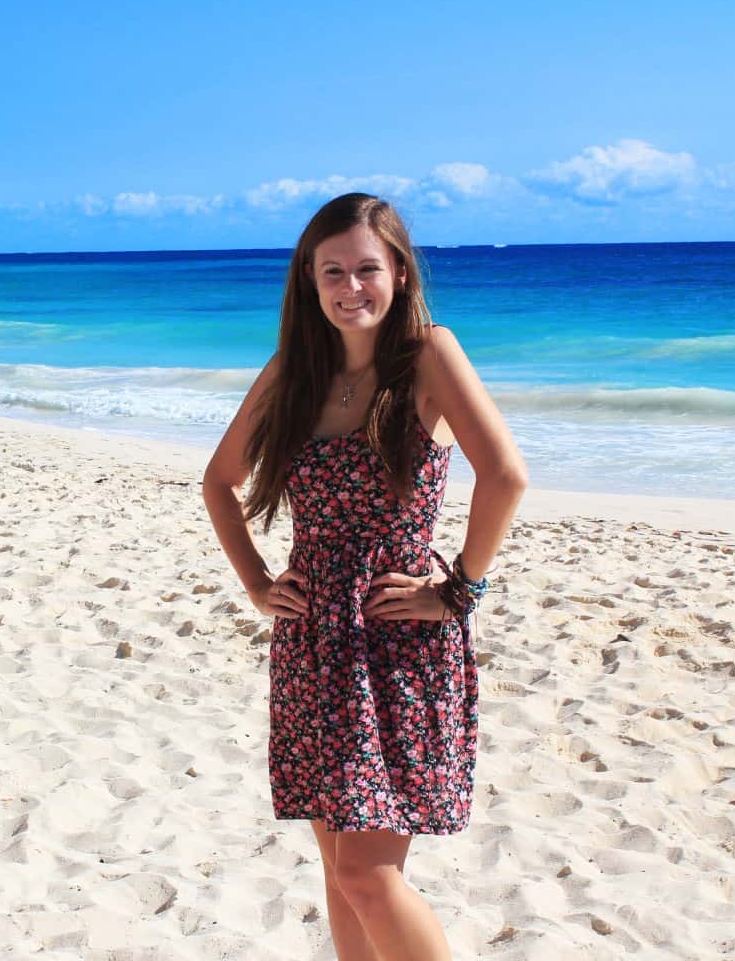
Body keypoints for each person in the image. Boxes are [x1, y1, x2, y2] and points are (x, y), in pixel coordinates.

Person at [202, 193, 527, 960]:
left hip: (395, 642)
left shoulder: (428, 357)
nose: (352, 287)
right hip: (312, 644)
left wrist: (458, 591)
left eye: (368, 269)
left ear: (400, 272)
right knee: (338, 870)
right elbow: (219, 483)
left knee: (367, 875)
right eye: (333, 272)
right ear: (309, 283)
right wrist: (255, 582)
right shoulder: (294, 373)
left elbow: (506, 476)